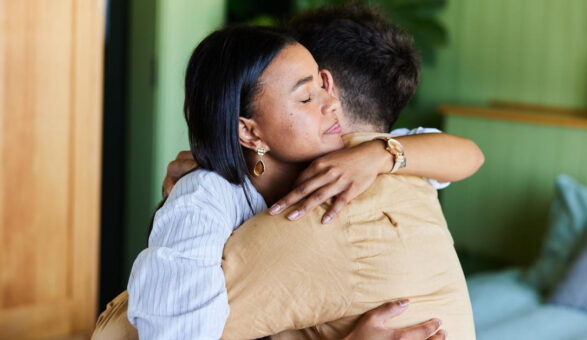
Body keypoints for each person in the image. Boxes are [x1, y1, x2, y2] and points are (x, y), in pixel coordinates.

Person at [93, 4, 482, 340]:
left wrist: (380, 155)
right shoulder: (205, 201)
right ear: (249, 129)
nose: (330, 103)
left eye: (322, 86)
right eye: (307, 94)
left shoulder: (358, 159)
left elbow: (468, 155)